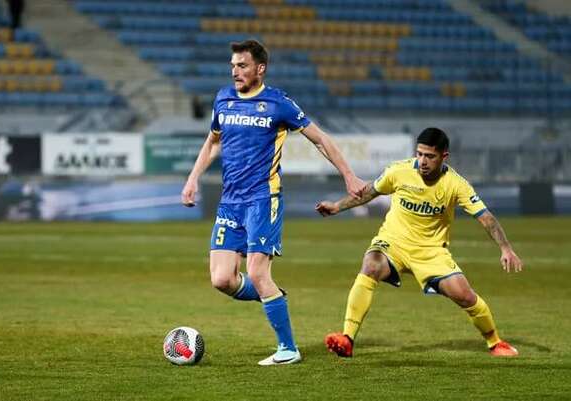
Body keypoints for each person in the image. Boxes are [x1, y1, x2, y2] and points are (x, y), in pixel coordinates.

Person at [181, 39, 366, 365]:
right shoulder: (223, 99)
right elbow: (212, 142)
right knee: (222, 279)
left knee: (256, 271)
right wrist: (192, 178)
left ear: (260, 68)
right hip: (230, 202)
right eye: (233, 66)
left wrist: (349, 177)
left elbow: (320, 139)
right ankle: (273, 297)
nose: (235, 71)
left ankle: (288, 348)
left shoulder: (278, 103)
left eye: (242, 65)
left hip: (263, 199)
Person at [316, 127, 523, 358]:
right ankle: (347, 338)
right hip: (393, 243)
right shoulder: (399, 171)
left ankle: (495, 343)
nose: (422, 161)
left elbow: (486, 218)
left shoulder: (456, 184)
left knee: (465, 296)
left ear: (444, 156)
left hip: (431, 252)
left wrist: (505, 248)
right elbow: (369, 193)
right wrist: (337, 206)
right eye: (420, 154)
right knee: (371, 264)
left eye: (430, 156)